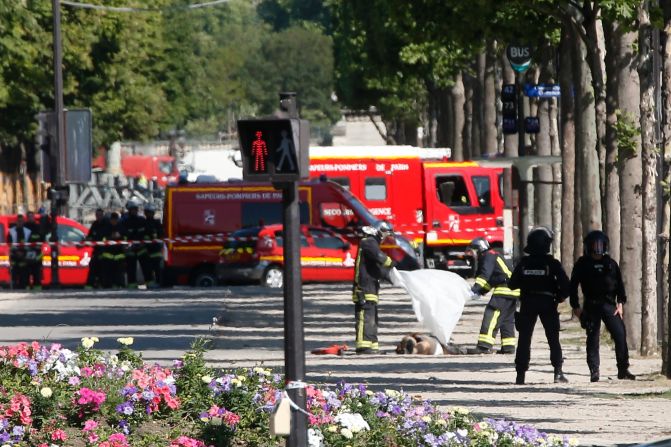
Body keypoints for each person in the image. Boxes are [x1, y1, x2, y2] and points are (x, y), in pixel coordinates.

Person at [570, 230, 635, 382]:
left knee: (620, 335)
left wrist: (620, 303)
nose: (598, 249)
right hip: (591, 305)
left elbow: (619, 285)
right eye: (595, 245)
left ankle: (623, 369)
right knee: (593, 338)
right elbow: (573, 286)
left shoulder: (611, 264)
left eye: (601, 245)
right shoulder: (582, 264)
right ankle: (594, 370)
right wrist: (576, 307)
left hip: (609, 305)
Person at [509, 227, 570, 385]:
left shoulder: (524, 263)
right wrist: (560, 296)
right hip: (548, 303)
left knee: (524, 339)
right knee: (553, 338)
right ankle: (558, 373)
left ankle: (520, 375)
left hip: (528, 303)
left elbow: (512, 284)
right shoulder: (552, 263)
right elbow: (566, 286)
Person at [466, 237, 520, 354]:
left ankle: (484, 346)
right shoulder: (494, 254)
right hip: (513, 290)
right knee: (506, 319)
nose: (472, 255)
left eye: (473, 251)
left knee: (491, 314)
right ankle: (509, 346)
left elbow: (485, 275)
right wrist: (480, 292)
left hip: (504, 289)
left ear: (479, 249)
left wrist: (474, 289)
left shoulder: (488, 256)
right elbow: (492, 280)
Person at [352, 222, 395, 354]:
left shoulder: (371, 244)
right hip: (364, 288)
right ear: (380, 231)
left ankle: (372, 345)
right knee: (365, 317)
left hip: (371, 288)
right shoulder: (368, 242)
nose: (385, 238)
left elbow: (378, 270)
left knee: (372, 318)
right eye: (385, 234)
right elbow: (379, 256)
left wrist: (393, 277)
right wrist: (391, 262)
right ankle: (363, 346)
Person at [121, 199, 147, 288]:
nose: (134, 211)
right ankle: (132, 285)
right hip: (130, 249)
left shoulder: (142, 220)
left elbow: (146, 233)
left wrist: (144, 243)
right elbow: (123, 235)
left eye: (135, 209)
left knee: (146, 267)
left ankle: (150, 283)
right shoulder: (125, 222)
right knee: (131, 268)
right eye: (132, 209)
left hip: (141, 248)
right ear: (129, 210)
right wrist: (125, 246)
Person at [100, 212, 125, 288]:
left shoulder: (121, 227)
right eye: (113, 219)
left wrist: (121, 238)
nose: (114, 221)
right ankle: (108, 285)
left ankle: (119, 284)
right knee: (108, 271)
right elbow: (102, 239)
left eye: (116, 219)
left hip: (119, 254)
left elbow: (126, 237)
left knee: (119, 271)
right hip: (108, 254)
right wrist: (110, 237)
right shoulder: (106, 228)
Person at [141, 203, 163, 287]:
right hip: (145, 251)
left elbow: (160, 235)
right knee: (147, 269)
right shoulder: (143, 223)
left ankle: (158, 283)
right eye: (147, 212)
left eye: (150, 212)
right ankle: (149, 284)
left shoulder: (157, 223)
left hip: (155, 250)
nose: (148, 214)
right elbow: (141, 235)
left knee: (157, 268)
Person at [85, 208, 108, 289]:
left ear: (103, 215)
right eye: (97, 215)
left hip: (105, 251)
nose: (98, 217)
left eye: (100, 215)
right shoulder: (95, 224)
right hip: (96, 250)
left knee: (103, 268)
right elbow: (90, 235)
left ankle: (103, 284)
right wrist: (87, 240)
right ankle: (91, 284)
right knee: (93, 267)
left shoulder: (106, 224)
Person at [7, 214, 31, 289]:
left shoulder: (27, 231)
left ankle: (23, 286)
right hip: (14, 255)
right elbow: (9, 243)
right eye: (18, 221)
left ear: (24, 222)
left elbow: (29, 244)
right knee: (14, 272)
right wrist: (16, 252)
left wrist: (23, 253)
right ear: (16, 221)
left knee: (23, 273)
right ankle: (14, 287)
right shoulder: (11, 231)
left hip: (24, 255)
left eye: (21, 221)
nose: (20, 223)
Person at [24, 211, 44, 290]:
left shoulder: (38, 227)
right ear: (27, 218)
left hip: (37, 255)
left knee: (37, 274)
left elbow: (42, 240)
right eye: (29, 216)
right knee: (27, 274)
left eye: (32, 216)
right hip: (27, 254)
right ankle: (27, 290)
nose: (30, 218)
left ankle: (37, 289)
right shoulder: (24, 227)